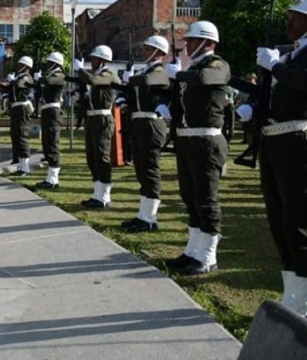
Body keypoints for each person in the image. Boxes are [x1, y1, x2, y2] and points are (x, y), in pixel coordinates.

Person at [247, 0, 307, 313]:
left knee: (299, 219)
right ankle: (293, 296)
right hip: (274, 140)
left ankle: (306, 299)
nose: (290, 22)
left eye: (296, 17)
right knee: (279, 219)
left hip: (298, 140)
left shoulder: (293, 59)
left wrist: (276, 67)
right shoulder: (290, 53)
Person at [165, 20, 230, 276]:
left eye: (192, 40)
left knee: (206, 199)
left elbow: (205, 78)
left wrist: (177, 74)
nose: (187, 45)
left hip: (206, 140)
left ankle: (208, 255)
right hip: (187, 138)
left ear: (208, 42)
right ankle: (193, 249)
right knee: (189, 198)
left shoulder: (217, 64)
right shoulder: (191, 68)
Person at [121, 35, 171, 233]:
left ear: (160, 53)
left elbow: (149, 81)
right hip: (139, 122)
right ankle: (143, 214)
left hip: (151, 123)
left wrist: (131, 79)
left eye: (149, 49)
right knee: (141, 169)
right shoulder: (146, 71)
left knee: (150, 170)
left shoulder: (161, 71)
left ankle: (151, 217)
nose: (145, 52)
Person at [74, 45, 118, 208]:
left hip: (103, 119)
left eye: (95, 59)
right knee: (92, 157)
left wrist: (79, 69)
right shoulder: (98, 76)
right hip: (92, 119)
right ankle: (97, 194)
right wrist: (81, 98)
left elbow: (92, 80)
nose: (92, 62)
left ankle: (105, 196)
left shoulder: (108, 75)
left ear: (103, 60)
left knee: (101, 156)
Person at [34, 51, 67, 190]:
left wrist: (40, 78)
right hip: (47, 110)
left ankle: (54, 179)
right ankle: (49, 178)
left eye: (49, 62)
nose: (47, 64)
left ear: (55, 63)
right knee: (47, 142)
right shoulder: (52, 75)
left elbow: (49, 81)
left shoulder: (59, 75)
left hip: (53, 111)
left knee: (52, 142)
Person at [3, 57, 35, 175]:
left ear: (26, 66)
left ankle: (25, 167)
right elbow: (14, 86)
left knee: (22, 135)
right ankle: (20, 165)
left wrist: (12, 82)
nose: (18, 66)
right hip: (16, 107)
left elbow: (19, 85)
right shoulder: (19, 77)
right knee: (15, 135)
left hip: (22, 107)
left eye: (20, 64)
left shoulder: (26, 77)